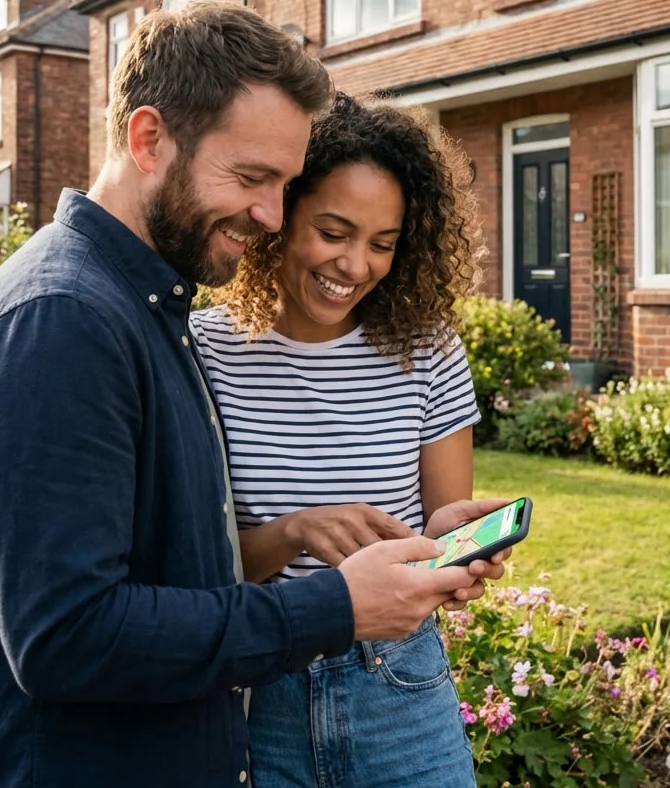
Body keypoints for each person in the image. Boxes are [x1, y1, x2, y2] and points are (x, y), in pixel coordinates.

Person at [0, 2, 507, 788]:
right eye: (251, 177)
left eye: (282, 183)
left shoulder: (143, 312)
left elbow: (179, 569)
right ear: (148, 139)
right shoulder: (60, 322)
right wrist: (333, 603)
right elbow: (68, 635)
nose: (270, 214)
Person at [191, 93, 495, 788]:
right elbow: (199, 569)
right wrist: (295, 531)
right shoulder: (206, 351)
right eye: (333, 232)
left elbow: (440, 529)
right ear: (279, 215)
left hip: (398, 689)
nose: (355, 265)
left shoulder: (429, 351)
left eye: (382, 244)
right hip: (260, 690)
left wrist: (450, 542)